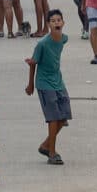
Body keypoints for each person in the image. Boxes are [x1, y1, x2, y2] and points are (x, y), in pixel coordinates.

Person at [25, 9, 71, 165]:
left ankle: (45, 145)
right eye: (53, 21)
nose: (57, 22)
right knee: (53, 118)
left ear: (63, 23)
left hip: (58, 81)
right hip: (44, 84)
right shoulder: (42, 44)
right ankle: (52, 153)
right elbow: (33, 64)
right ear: (48, 25)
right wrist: (30, 84)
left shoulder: (64, 39)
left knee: (64, 116)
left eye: (59, 20)